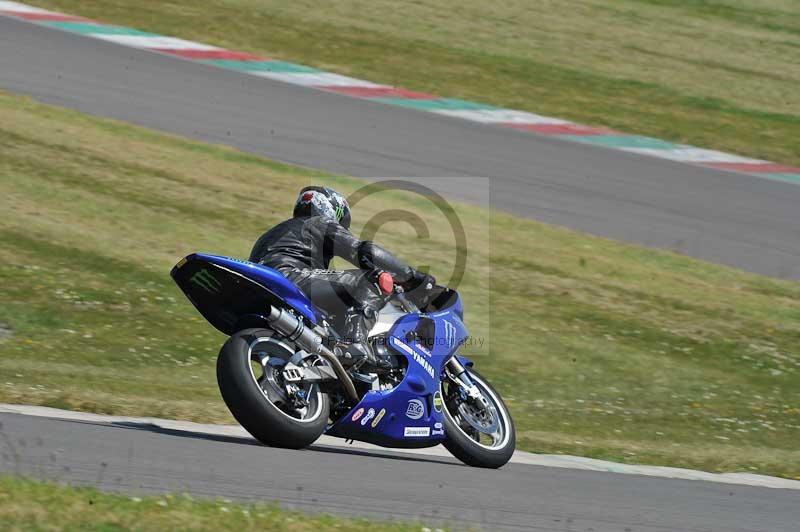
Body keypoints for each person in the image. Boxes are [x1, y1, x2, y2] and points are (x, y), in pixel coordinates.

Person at [249, 186, 435, 371]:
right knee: (371, 279)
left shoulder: (271, 234)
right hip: (292, 278)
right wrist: (412, 277)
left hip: (266, 290)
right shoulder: (319, 222)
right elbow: (363, 251)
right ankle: (355, 342)